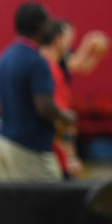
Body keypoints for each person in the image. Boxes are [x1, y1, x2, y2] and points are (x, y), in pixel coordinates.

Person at [0, 2, 76, 182]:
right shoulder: (37, 62)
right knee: (48, 196)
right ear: (41, 25)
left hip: (3, 141)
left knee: (12, 197)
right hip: (29, 147)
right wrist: (66, 117)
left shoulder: (4, 58)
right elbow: (44, 107)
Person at [38, 20, 83, 177]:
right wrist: (70, 156)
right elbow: (57, 117)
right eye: (69, 39)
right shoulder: (49, 70)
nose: (70, 45)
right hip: (52, 154)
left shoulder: (49, 67)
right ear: (58, 40)